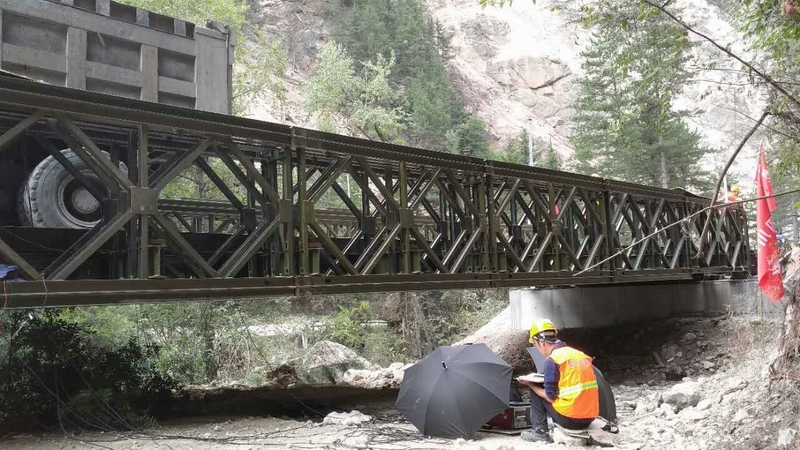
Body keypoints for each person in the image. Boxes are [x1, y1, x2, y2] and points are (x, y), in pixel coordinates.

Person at [518, 319, 600, 443]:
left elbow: (550, 397)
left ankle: (540, 432)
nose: (537, 349)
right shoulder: (579, 354)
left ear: (542, 342)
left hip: (572, 420)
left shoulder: (553, 359)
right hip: (589, 417)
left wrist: (530, 384)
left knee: (536, 391)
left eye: (535, 345)